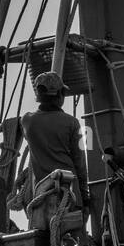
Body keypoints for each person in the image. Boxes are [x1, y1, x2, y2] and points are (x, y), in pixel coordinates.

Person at [20, 71, 90, 215]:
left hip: (40, 198)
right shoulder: (72, 123)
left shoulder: (27, 121)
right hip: (70, 196)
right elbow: (80, 163)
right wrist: (85, 196)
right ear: (59, 95)